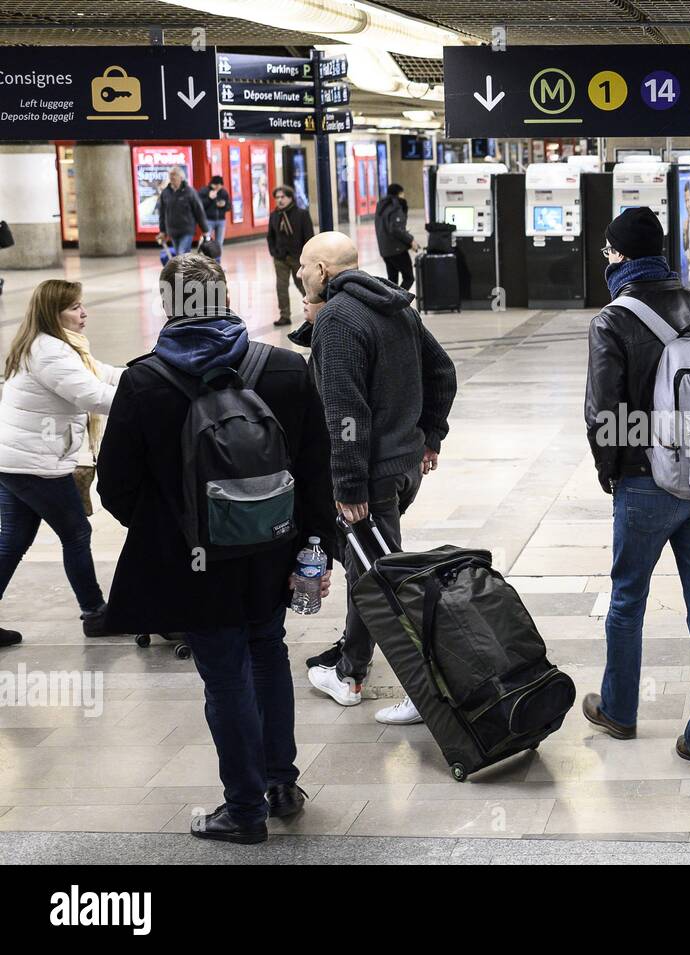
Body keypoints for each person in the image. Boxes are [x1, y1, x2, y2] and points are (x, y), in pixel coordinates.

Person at [96, 253, 338, 844]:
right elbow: (316, 468)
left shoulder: (144, 380)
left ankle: (244, 810)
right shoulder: (284, 369)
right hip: (273, 552)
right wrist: (311, 544)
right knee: (267, 652)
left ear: (169, 304)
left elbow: (115, 486)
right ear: (225, 297)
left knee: (224, 676)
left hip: (195, 560)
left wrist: (179, 528)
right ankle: (281, 784)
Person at [583, 207, 690, 774]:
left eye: (608, 253)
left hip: (646, 483)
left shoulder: (614, 318)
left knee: (628, 598)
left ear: (621, 256)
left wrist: (612, 469)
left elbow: (605, 411)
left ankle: (620, 711)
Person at [298, 232, 457, 723]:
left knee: (383, 582)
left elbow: (346, 413)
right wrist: (430, 435)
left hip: (369, 477)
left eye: (304, 267)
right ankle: (351, 670)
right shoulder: (393, 305)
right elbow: (442, 371)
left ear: (323, 270)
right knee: (367, 571)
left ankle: (424, 687)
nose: (300, 276)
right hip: (404, 466)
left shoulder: (341, 321)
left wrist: (348, 487)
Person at [0, 280, 121, 644]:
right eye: (74, 308)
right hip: (36, 464)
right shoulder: (50, 352)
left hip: (17, 460)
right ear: (53, 314)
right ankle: (95, 613)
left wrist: (148, 374)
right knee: (76, 534)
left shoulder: (54, 345)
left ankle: (95, 611)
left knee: (13, 541)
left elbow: (101, 374)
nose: (83, 313)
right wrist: (151, 399)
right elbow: (93, 396)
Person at [267, 185, 314, 328]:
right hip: (280, 257)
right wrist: (274, 252)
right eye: (277, 197)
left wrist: (306, 256)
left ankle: (314, 311)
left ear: (290, 198)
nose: (280, 200)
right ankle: (284, 315)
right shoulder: (275, 215)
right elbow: (270, 236)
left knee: (303, 285)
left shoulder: (302, 214)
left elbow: (309, 236)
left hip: (297, 257)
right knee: (281, 286)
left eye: (283, 197)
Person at [375, 183, 421, 291]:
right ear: (400, 193)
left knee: (392, 281)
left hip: (385, 250)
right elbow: (396, 229)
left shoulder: (381, 205)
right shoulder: (396, 206)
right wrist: (411, 240)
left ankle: (391, 303)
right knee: (409, 278)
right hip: (396, 250)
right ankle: (397, 302)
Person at [157, 166, 210, 256]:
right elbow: (162, 213)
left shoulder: (189, 192)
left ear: (181, 177)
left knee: (181, 253)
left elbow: (199, 211)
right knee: (180, 255)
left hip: (187, 229)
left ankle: (183, 269)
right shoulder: (165, 193)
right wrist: (162, 231)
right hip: (172, 230)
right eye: (170, 175)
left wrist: (205, 230)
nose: (172, 177)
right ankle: (186, 269)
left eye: (174, 175)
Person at [201, 175, 231, 261]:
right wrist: (209, 198)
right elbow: (200, 206)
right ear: (212, 184)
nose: (218, 187)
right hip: (208, 220)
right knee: (207, 243)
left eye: (220, 185)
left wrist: (224, 205)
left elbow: (229, 206)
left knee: (219, 243)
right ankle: (207, 263)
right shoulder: (205, 191)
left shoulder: (223, 193)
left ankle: (217, 264)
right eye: (216, 185)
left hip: (221, 220)